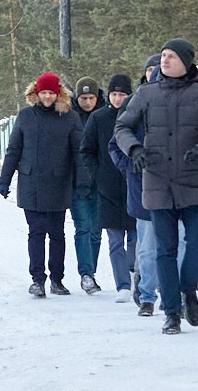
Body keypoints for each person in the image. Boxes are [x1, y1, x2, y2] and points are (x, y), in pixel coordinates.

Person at [113, 39, 198, 334]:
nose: (165, 60)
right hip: (158, 182)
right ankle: (171, 313)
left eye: (172, 56)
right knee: (165, 250)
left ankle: (188, 289)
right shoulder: (146, 94)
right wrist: (134, 149)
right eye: (163, 55)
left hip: (196, 181)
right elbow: (122, 128)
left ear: (186, 62)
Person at [0, 73, 81, 297]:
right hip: (30, 183)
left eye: (51, 93)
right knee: (36, 232)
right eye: (43, 93)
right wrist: (4, 180)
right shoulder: (25, 116)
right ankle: (37, 279)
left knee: (56, 233)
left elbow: (78, 153)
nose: (47, 97)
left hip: (58, 182)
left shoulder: (70, 118)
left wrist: (81, 181)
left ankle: (57, 279)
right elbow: (13, 149)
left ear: (58, 94)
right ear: (36, 93)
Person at [110, 62, 162, 316]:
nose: (156, 75)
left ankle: (177, 295)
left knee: (178, 245)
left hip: (176, 187)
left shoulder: (181, 101)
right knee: (148, 247)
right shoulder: (135, 103)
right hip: (142, 188)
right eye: (151, 70)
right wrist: (130, 164)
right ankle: (147, 294)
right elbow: (115, 142)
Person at [89, 75, 137, 299]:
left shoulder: (137, 116)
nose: (118, 99)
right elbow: (86, 150)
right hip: (107, 188)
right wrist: (97, 174)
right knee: (115, 240)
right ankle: (123, 285)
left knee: (136, 237)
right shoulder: (98, 119)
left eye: (122, 94)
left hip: (134, 185)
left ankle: (135, 272)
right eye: (114, 94)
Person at [68, 80, 108, 293]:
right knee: (82, 228)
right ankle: (86, 273)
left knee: (96, 231)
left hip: (100, 183)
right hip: (78, 184)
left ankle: (91, 271)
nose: (87, 102)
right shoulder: (70, 118)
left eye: (91, 98)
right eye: (83, 98)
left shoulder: (104, 115)